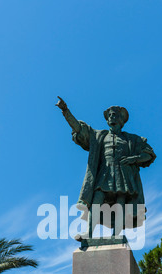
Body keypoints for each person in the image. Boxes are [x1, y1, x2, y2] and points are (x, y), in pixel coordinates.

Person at [56, 97, 156, 240]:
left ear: (121, 120)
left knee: (120, 203)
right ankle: (89, 233)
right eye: (109, 115)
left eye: (114, 115)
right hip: (104, 174)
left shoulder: (133, 139)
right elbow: (79, 128)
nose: (111, 117)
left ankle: (116, 235)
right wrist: (66, 111)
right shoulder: (99, 136)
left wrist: (133, 159)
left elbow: (149, 155)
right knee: (96, 200)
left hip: (124, 175)